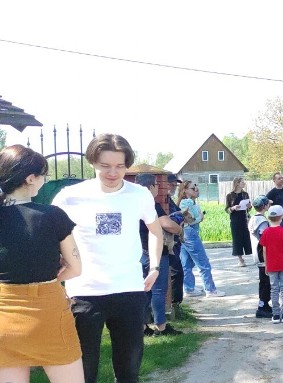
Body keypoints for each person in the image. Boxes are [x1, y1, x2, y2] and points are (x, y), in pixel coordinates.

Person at [52, 133, 164, 383]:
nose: (113, 172)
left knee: (129, 372)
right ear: (93, 162)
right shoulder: (69, 196)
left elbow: (155, 231)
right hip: (84, 294)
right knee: (83, 373)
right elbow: (52, 238)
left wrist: (155, 266)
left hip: (130, 291)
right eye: (105, 166)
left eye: (120, 166)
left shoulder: (139, 195)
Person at [0, 145, 84, 383]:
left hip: (3, 314)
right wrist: (48, 279)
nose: (44, 181)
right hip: (49, 310)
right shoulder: (53, 215)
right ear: (30, 178)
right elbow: (76, 268)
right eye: (43, 175)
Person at [135, 173, 183, 337]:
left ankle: (142, 327)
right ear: (150, 187)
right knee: (158, 290)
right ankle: (161, 326)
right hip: (154, 251)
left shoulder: (131, 203)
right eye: (156, 184)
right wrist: (179, 228)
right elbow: (166, 224)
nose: (158, 188)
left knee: (143, 290)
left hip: (137, 251)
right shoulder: (151, 204)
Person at [177, 180, 226, 298]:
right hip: (190, 232)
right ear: (185, 190)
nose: (196, 190)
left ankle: (189, 288)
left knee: (186, 263)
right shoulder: (188, 202)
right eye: (193, 189)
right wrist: (201, 216)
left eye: (196, 187)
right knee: (203, 262)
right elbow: (192, 219)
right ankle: (210, 289)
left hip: (185, 233)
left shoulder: (186, 202)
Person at [259, 205, 283, 323]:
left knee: (274, 289)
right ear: (281, 217)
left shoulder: (266, 232)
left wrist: (266, 264)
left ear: (269, 218)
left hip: (272, 266)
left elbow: (264, 250)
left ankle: (275, 314)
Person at [249, 196, 273, 318]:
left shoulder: (254, 218)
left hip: (257, 254)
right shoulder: (262, 221)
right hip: (262, 255)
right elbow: (265, 238)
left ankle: (264, 304)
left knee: (263, 281)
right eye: (267, 204)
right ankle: (262, 306)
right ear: (264, 206)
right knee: (266, 282)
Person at [165, 174, 185, 316]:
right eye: (171, 184)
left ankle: (176, 305)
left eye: (175, 185)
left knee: (178, 272)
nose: (173, 187)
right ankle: (173, 305)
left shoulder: (169, 200)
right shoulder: (161, 201)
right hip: (168, 241)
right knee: (176, 272)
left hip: (175, 241)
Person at [225, 177, 251, 267]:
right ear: (237, 183)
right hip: (235, 219)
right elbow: (227, 209)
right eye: (242, 182)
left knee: (245, 237)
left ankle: (248, 253)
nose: (244, 183)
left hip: (244, 218)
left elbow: (249, 208)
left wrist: (249, 206)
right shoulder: (230, 195)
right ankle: (240, 259)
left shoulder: (245, 194)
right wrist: (233, 208)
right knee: (237, 239)